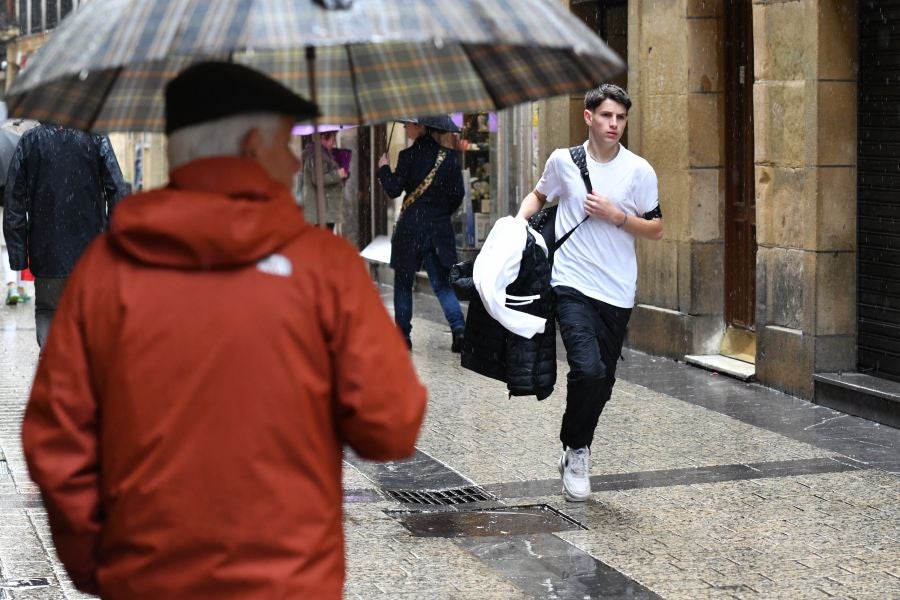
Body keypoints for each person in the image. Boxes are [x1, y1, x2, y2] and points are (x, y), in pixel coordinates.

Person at [21, 62, 427, 599]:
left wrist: (101, 563)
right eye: (285, 144)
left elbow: (57, 439)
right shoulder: (323, 269)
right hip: (289, 581)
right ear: (253, 145)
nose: (290, 162)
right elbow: (390, 425)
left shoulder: (106, 272)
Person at [516, 84, 663, 502]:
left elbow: (656, 228)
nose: (614, 124)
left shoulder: (639, 171)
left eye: (620, 117)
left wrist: (619, 217)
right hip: (571, 283)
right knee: (588, 369)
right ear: (588, 117)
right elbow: (539, 194)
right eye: (606, 116)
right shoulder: (564, 161)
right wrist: (515, 223)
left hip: (617, 289)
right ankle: (577, 449)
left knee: (604, 380)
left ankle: (576, 444)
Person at [2, 123, 127, 346]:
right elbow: (117, 190)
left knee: (48, 312)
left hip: (46, 253)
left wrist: (18, 254)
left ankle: (52, 369)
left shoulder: (30, 141)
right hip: (91, 255)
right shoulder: (96, 138)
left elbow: (14, 201)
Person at [377, 115, 466, 351]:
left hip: (411, 228)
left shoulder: (408, 157)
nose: (405, 127)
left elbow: (394, 189)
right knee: (443, 285)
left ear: (421, 126)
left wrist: (383, 168)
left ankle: (402, 337)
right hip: (438, 229)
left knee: (403, 283)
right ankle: (459, 331)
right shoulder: (449, 158)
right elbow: (458, 194)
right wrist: (438, 212)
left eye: (409, 123)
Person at [299, 130, 347, 231]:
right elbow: (318, 179)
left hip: (324, 210)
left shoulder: (323, 155)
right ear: (322, 138)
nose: (334, 143)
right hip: (322, 211)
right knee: (323, 242)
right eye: (332, 139)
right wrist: (337, 174)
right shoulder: (318, 156)